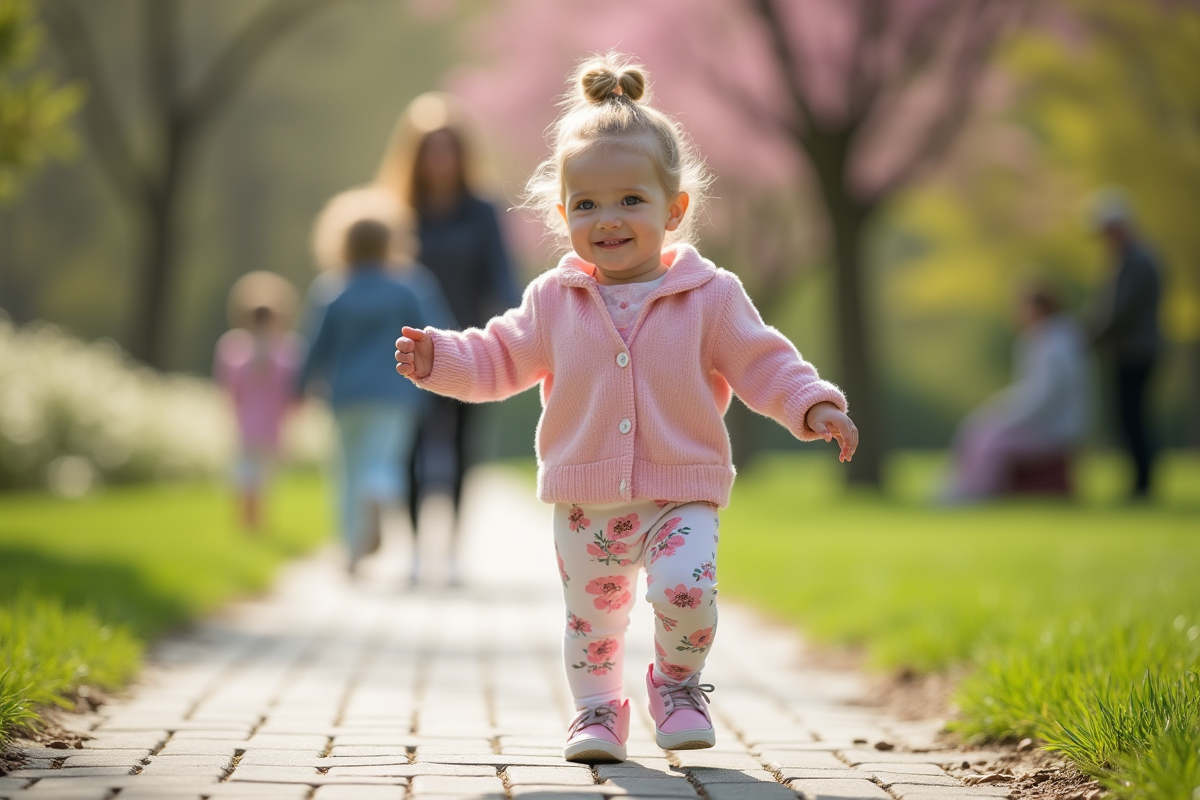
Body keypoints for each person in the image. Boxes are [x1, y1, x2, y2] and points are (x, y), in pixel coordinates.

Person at [394, 53, 857, 763]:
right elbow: (499, 356)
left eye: (630, 201)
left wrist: (811, 403)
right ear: (562, 215)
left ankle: (676, 684)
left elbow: (763, 360)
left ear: (675, 210)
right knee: (593, 619)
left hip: (683, 488)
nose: (607, 220)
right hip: (588, 499)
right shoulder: (555, 300)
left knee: (687, 588)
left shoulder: (710, 295)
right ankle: (597, 711)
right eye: (586, 205)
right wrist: (441, 359)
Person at [376, 92, 521, 587]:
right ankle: (416, 552)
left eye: (448, 149)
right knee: (409, 449)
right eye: (430, 149)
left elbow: (500, 275)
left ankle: (454, 552)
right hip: (407, 350)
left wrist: (521, 324)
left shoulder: (481, 210)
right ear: (414, 155)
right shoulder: (396, 210)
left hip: (467, 348)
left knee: (461, 447)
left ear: (462, 154)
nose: (439, 159)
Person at [300, 218, 454, 575]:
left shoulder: (332, 289)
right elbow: (437, 332)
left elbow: (315, 345)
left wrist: (299, 387)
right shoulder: (410, 285)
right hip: (396, 392)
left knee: (347, 472)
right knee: (384, 459)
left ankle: (352, 552)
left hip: (345, 394)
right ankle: (379, 491)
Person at [942, 283, 1091, 502]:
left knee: (989, 440)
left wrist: (1004, 417)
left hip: (1054, 430)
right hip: (1048, 425)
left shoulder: (1053, 344)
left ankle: (976, 494)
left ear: (1038, 309)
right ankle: (961, 488)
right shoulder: (1051, 339)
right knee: (979, 430)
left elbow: (1042, 399)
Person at [1086, 188, 1163, 500]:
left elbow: (1122, 312)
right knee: (1130, 419)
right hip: (1130, 351)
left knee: (1133, 419)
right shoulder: (1129, 258)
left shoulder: (1137, 261)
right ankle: (1140, 483)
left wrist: (1089, 335)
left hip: (1136, 351)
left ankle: (1143, 485)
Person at [213, 271, 303, 532]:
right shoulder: (288, 350)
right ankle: (259, 521)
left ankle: (245, 520)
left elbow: (227, 390)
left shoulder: (233, 347)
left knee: (244, 472)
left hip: (245, 422)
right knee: (265, 476)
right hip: (273, 423)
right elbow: (293, 392)